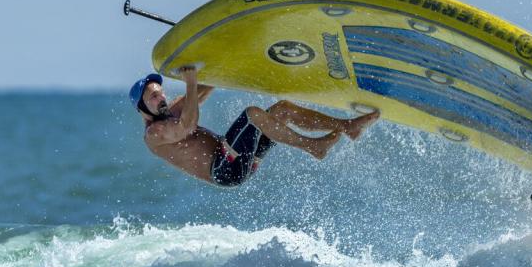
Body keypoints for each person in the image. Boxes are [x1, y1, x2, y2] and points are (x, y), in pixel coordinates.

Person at [129, 67, 379, 186]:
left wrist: (222, 61)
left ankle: (347, 126)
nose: (161, 98)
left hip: (238, 156)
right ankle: (314, 146)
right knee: (252, 115)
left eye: (160, 93)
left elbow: (202, 92)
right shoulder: (155, 134)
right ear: (142, 108)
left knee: (282, 109)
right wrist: (191, 80)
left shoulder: (170, 110)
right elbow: (188, 125)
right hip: (224, 169)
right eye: (153, 97)